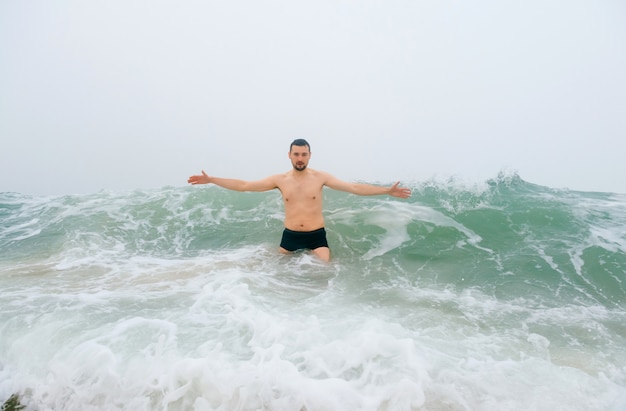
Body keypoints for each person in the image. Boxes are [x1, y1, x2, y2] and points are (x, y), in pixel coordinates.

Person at [187, 139, 411, 262]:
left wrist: (386, 191)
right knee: (278, 277)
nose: (300, 158)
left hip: (316, 236)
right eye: (296, 154)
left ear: (310, 155)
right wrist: (212, 179)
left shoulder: (321, 177)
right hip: (290, 236)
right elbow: (245, 186)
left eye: (304, 154)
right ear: (289, 155)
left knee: (324, 272)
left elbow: (353, 187)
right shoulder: (280, 179)